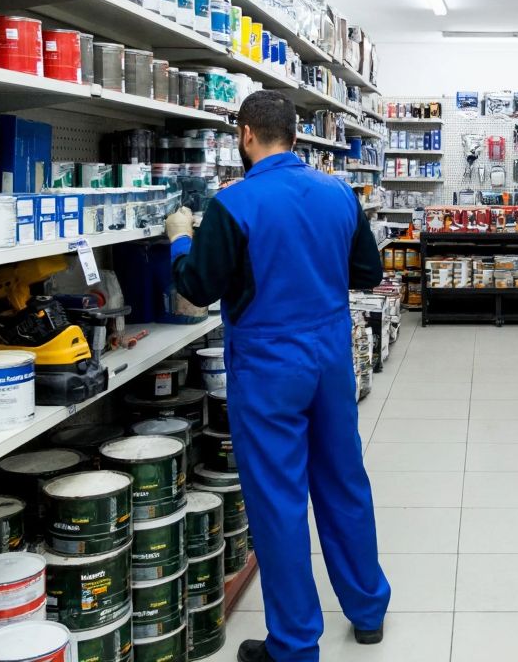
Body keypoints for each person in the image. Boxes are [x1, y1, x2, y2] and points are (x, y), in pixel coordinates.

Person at [165, 91, 390, 662]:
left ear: (246, 135)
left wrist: (180, 240)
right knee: (344, 480)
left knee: (279, 501)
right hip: (330, 355)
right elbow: (368, 271)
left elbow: (196, 287)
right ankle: (367, 609)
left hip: (268, 367)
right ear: (295, 134)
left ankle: (293, 644)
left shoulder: (234, 204)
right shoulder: (339, 193)